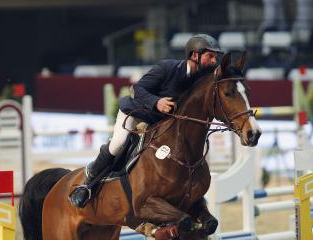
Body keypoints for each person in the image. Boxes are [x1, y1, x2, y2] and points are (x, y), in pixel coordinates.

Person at [70, 34, 223, 208]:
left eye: (216, 57)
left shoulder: (201, 79)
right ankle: (87, 183)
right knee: (119, 143)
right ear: (195, 55)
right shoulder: (167, 68)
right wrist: (157, 102)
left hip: (161, 122)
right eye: (210, 56)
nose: (214, 61)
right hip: (137, 113)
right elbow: (137, 89)